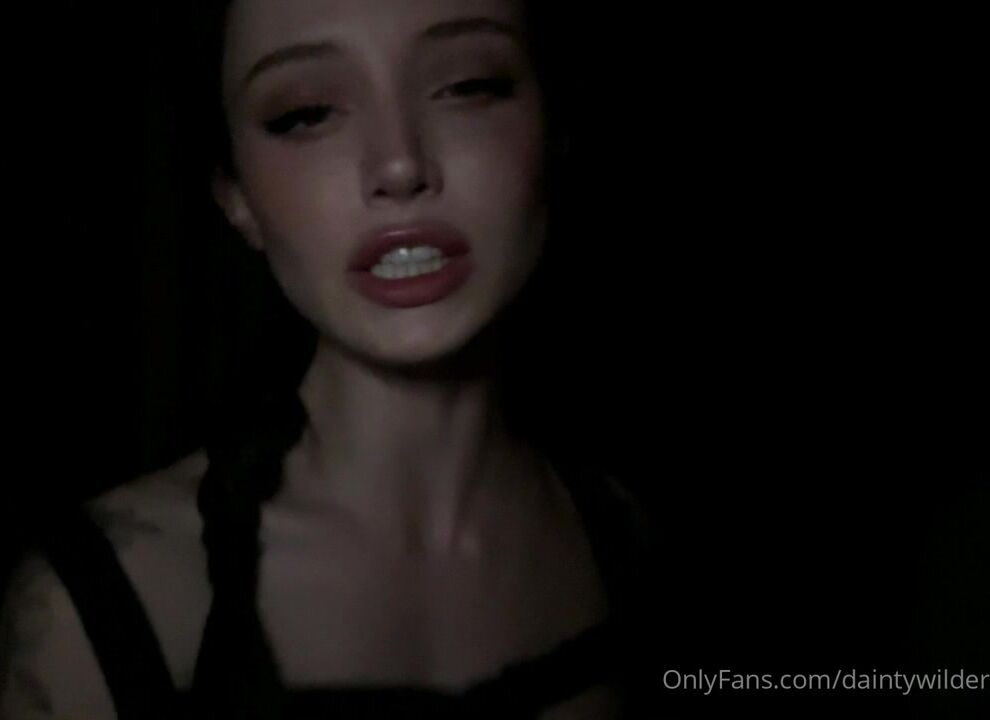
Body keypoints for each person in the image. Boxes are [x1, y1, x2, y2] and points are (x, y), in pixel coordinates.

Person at [0, 1, 660, 718]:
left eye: (468, 85)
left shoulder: (629, 544)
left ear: (554, 125)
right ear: (235, 194)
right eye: (306, 114)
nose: (400, 165)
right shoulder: (98, 603)